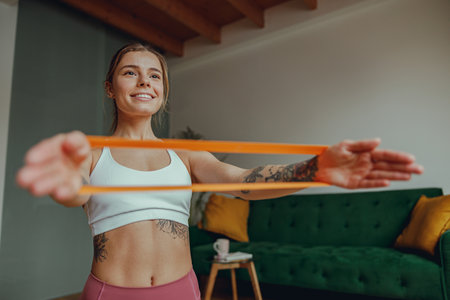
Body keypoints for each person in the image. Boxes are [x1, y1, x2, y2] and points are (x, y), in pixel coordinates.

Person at [15, 43, 423, 300]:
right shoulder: (91, 152)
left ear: (164, 90)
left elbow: (242, 183)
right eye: (130, 72)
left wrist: (315, 169)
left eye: (154, 74)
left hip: (183, 289)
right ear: (110, 87)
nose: (144, 81)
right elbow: (76, 192)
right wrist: (65, 187)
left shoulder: (187, 154)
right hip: (111, 293)